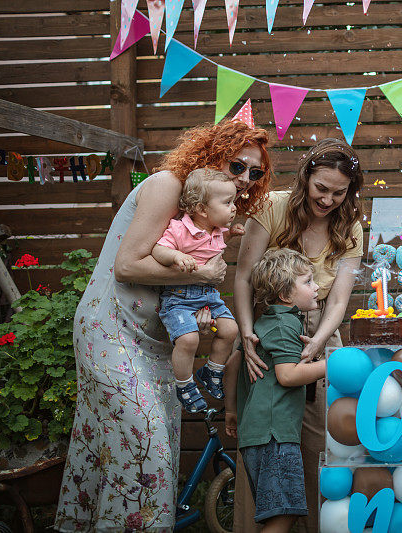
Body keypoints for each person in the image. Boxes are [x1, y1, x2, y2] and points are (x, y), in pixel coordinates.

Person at [54, 117, 272, 531]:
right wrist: (202, 276)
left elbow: (179, 291)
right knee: (146, 442)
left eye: (256, 172)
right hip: (111, 328)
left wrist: (198, 321)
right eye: (237, 165)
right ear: (211, 154)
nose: (246, 178)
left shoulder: (212, 213)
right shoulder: (169, 185)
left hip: (156, 341)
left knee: (128, 448)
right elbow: (127, 265)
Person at [231, 138, 364, 532]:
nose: (328, 199)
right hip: (266, 328)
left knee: (321, 436)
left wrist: (319, 343)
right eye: (321, 188)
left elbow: (339, 300)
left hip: (320, 330)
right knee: (269, 430)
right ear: (305, 177)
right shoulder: (270, 206)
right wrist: (246, 335)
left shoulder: (351, 226)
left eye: (339, 193)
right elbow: (243, 277)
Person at [225, 248, 326, 533]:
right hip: (274, 435)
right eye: (307, 282)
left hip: (258, 431)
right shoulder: (285, 325)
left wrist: (232, 410)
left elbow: (234, 363)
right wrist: (332, 364)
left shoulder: (267, 322)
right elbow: (287, 375)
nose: (316, 286)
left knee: (278, 514)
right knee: (283, 516)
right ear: (284, 294)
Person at [153, 167, 247, 412]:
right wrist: (175, 256)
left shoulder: (216, 231)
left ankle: (211, 371)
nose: (234, 207)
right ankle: (184, 385)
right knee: (188, 339)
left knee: (230, 329)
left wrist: (231, 237)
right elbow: (158, 250)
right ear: (202, 209)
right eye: (227, 202)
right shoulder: (179, 229)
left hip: (208, 296)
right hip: (179, 298)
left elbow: (211, 249)